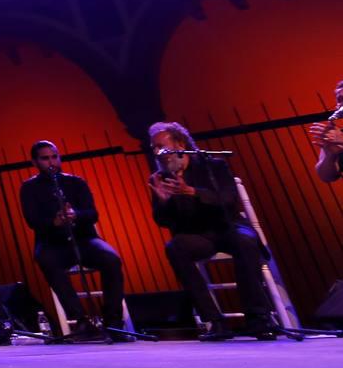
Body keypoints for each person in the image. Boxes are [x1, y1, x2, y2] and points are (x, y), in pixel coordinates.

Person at [147, 122, 276, 340]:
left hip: (228, 227)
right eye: (154, 148)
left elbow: (228, 198)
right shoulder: (160, 178)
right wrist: (165, 203)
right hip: (198, 235)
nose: (158, 153)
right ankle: (214, 321)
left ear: (180, 144)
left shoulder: (212, 165)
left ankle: (257, 318)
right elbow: (162, 221)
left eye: (162, 146)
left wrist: (192, 192)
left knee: (245, 242)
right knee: (175, 248)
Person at [19, 140, 128, 341]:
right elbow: (32, 220)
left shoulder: (76, 182)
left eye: (54, 156)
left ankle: (113, 322)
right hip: (52, 243)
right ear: (35, 162)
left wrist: (75, 215)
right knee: (46, 260)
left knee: (111, 259)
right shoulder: (29, 188)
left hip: (84, 239)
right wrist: (55, 221)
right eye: (45, 158)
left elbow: (93, 214)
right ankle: (80, 321)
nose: (51, 162)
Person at [306, 80, 343, 184]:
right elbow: (326, 177)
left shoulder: (339, 136)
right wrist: (330, 156)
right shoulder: (336, 133)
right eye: (340, 99)